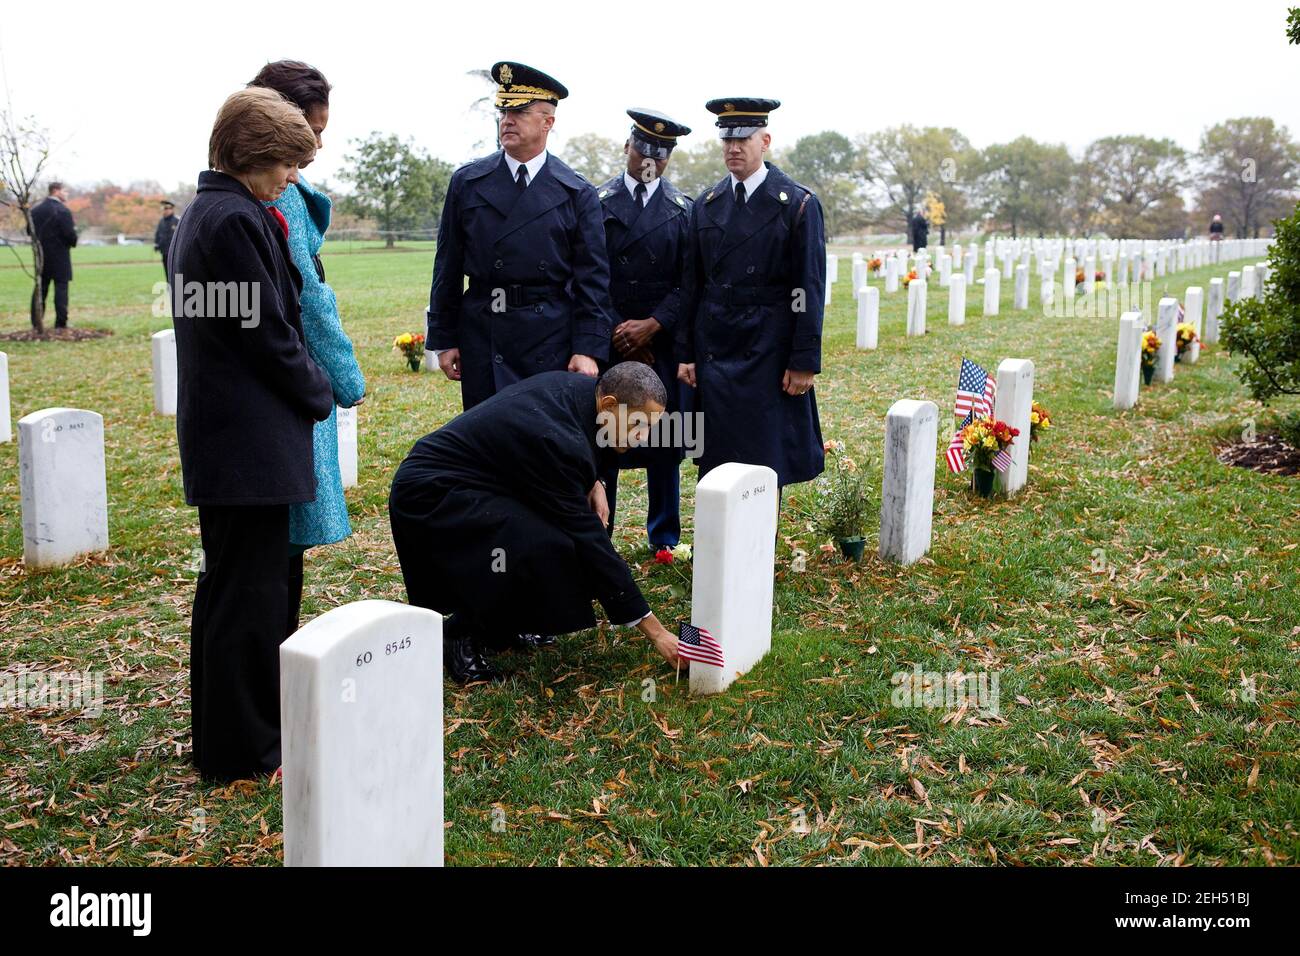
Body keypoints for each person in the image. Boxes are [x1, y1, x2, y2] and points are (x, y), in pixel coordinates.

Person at [168, 87, 334, 782]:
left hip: (229, 439)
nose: (291, 178)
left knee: (229, 590)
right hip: (248, 442)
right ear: (251, 154)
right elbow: (267, 333)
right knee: (249, 599)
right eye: (286, 164)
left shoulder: (206, 213)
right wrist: (319, 392)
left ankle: (225, 739)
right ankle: (245, 750)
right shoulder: (233, 220)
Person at [389, 363, 682, 683]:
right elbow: (589, 540)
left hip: (482, 483)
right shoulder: (558, 440)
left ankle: (508, 624)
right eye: (639, 424)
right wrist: (657, 633)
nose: (643, 436)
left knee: (548, 539)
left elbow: (578, 443)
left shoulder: (585, 393)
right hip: (433, 494)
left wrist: (593, 480)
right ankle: (458, 635)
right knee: (535, 544)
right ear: (610, 404)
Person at [249, 59, 366, 634]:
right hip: (290, 388)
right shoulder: (282, 194)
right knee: (278, 551)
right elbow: (311, 301)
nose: (318, 146)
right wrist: (345, 381)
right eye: (312, 131)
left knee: (272, 552)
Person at [426, 61, 612, 410]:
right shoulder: (468, 183)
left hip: (548, 338)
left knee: (541, 440)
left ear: (548, 122)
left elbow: (593, 280)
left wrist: (587, 348)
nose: (506, 120)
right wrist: (444, 337)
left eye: (520, 112)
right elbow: (447, 267)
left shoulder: (577, 192)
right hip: (485, 334)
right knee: (488, 441)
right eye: (503, 111)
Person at [676, 98, 826, 492]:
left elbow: (807, 287)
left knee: (764, 455)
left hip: (768, 349)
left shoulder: (796, 204)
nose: (733, 148)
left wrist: (804, 359)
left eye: (743, 139)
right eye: (726, 140)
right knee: (718, 453)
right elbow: (693, 285)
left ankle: (757, 549)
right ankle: (721, 547)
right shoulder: (706, 205)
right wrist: (686, 353)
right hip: (717, 348)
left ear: (766, 140)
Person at [593, 109, 693, 551]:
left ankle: (665, 539)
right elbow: (588, 275)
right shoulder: (594, 203)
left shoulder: (683, 209)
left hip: (661, 343)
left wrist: (653, 326)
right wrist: (621, 333)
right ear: (627, 147)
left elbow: (690, 282)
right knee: (606, 435)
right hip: (611, 339)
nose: (649, 159)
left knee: (665, 439)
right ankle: (601, 533)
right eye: (642, 149)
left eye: (660, 153)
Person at [29, 182, 78, 328]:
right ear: (56, 191)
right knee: (61, 289)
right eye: (65, 191)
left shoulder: (35, 210)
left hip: (41, 256)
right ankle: (61, 323)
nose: (67, 194)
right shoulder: (62, 211)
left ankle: (37, 322)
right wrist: (72, 242)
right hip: (60, 256)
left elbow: (29, 231)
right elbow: (70, 234)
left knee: (40, 289)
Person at [154, 200, 179, 277]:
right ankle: (169, 288)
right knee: (167, 272)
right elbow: (158, 234)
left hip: (174, 252)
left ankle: (176, 288)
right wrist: (157, 244)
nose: (165, 211)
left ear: (171, 209)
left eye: (167, 209)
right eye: (164, 209)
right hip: (164, 251)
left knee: (175, 273)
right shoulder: (161, 221)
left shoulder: (177, 221)